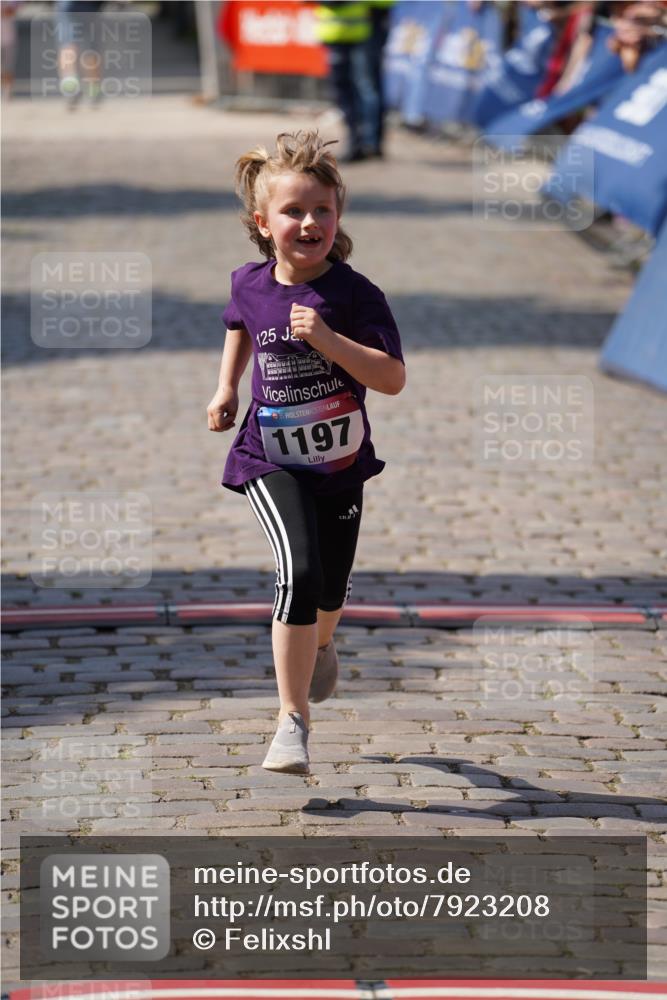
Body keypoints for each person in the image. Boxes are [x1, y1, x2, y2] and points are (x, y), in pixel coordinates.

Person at [206, 131, 405, 775]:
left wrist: (328, 339)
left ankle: (320, 645)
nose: (310, 222)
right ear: (263, 224)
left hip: (340, 464)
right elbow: (239, 324)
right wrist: (226, 386)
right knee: (297, 569)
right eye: (293, 211)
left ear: (338, 218)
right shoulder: (249, 283)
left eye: (323, 209)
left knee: (330, 585)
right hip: (269, 455)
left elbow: (392, 378)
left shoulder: (355, 296)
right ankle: (291, 722)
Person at [313, 2, 381, 161]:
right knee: (344, 93)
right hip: (335, 35)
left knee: (364, 91)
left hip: (358, 36)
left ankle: (366, 143)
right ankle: (356, 142)